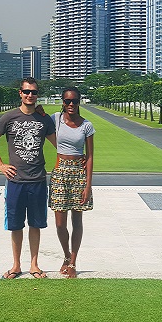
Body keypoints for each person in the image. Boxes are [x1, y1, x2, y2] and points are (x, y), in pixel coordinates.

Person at [0, 77, 56, 280]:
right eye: (26, 91)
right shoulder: (9, 118)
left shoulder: (44, 119)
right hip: (16, 181)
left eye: (34, 92)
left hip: (37, 180)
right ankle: (16, 265)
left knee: (36, 224)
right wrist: (0, 165)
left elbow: (58, 144)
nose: (30, 95)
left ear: (37, 94)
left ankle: (34, 265)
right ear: (20, 93)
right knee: (16, 225)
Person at [48, 87, 94, 278]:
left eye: (74, 101)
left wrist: (88, 186)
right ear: (62, 102)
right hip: (60, 173)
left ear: (79, 101)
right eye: (67, 101)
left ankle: (73, 262)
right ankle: (66, 255)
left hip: (78, 174)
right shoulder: (55, 119)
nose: (71, 104)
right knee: (60, 224)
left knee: (77, 220)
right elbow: (37, 119)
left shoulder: (86, 125)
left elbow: (90, 156)